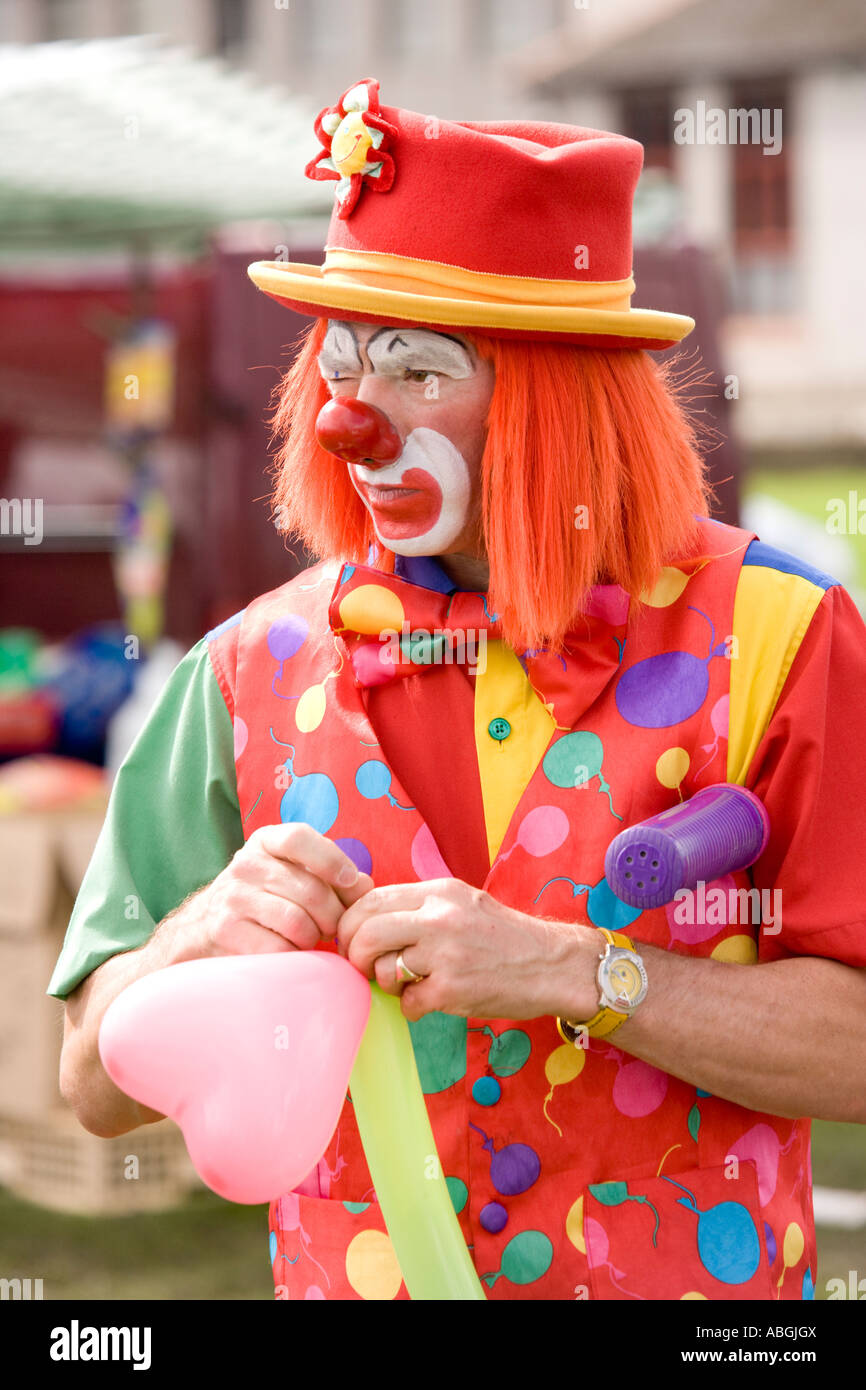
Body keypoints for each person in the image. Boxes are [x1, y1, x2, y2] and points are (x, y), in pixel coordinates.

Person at [50, 79, 866, 1302]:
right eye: (336, 366)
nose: (344, 423)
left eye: (416, 372)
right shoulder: (242, 671)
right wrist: (192, 937)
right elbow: (92, 1086)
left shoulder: (779, 639)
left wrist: (584, 973)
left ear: (562, 391)